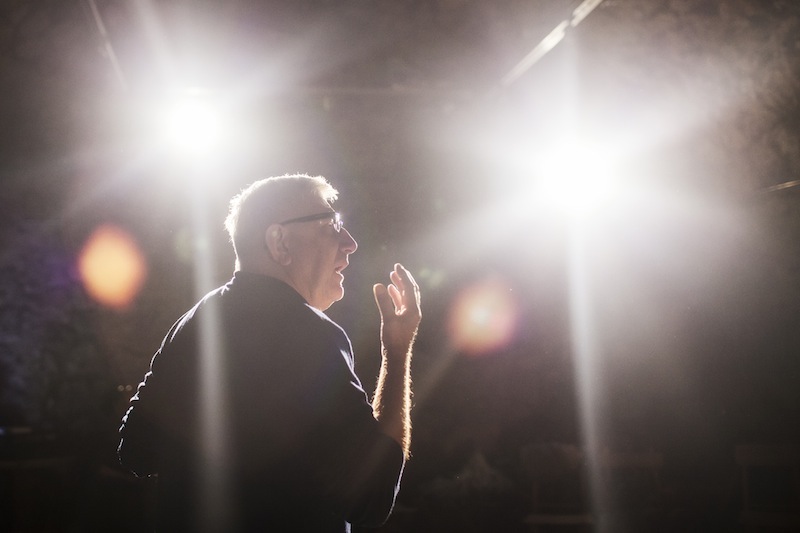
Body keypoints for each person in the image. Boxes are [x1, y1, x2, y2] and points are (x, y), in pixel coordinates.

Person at [118, 174, 421, 532]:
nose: (350, 243)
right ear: (279, 242)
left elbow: (136, 450)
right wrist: (397, 352)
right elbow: (372, 499)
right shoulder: (311, 336)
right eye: (331, 225)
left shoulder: (195, 324)